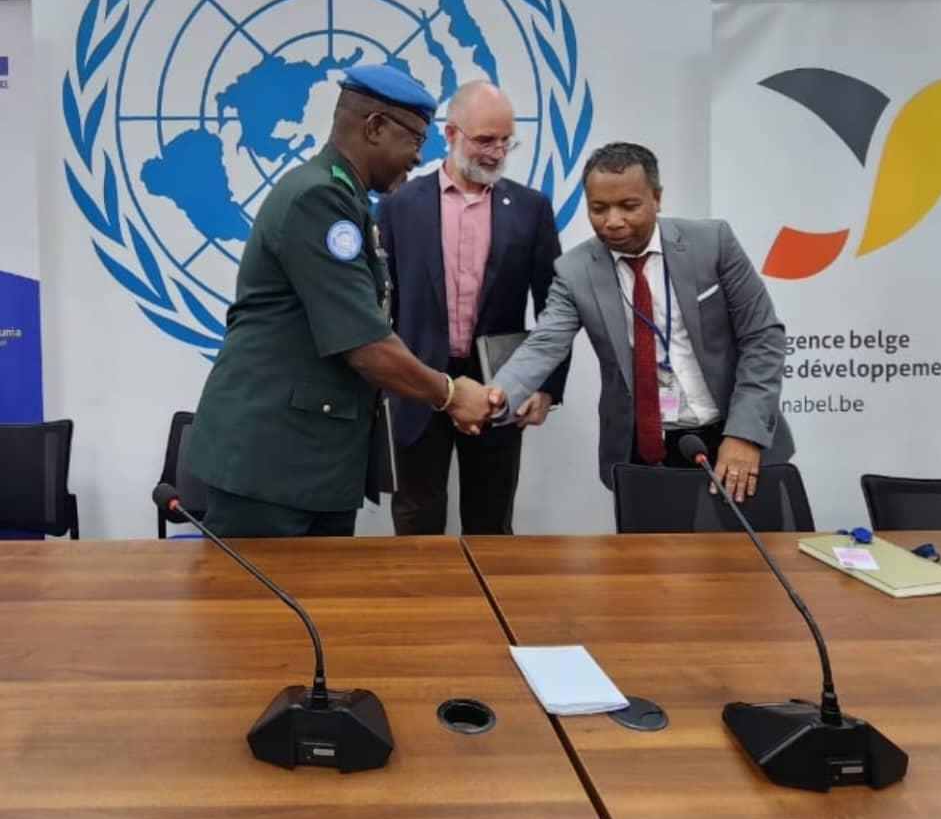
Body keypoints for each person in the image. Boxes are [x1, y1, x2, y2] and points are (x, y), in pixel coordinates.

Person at [186, 65, 495, 537]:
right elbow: (365, 345)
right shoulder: (320, 199)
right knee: (256, 591)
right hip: (273, 467)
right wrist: (450, 394)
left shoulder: (344, 198)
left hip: (310, 464)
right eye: (414, 139)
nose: (418, 157)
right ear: (375, 127)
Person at [490, 142, 793, 503]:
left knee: (746, 542)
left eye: (628, 206)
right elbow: (545, 344)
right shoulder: (574, 271)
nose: (613, 221)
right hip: (642, 452)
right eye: (598, 208)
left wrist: (745, 434)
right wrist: (497, 394)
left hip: (733, 439)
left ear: (657, 198)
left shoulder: (713, 243)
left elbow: (762, 337)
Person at [375, 81, 568, 534]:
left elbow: (556, 308)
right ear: (450, 134)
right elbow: (380, 305)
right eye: (485, 140)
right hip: (417, 386)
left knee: (492, 524)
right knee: (416, 521)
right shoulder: (399, 206)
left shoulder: (531, 209)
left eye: (506, 141)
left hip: (500, 390)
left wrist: (545, 387)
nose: (497, 152)